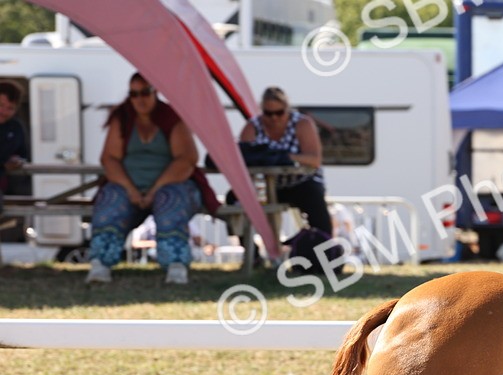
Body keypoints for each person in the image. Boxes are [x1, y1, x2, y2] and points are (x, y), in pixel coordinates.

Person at [86, 73, 215, 285]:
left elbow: (186, 160)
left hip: (171, 184)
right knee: (110, 202)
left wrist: (155, 190)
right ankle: (100, 264)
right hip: (129, 187)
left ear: (156, 93)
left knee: (170, 203)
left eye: (145, 92)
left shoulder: (172, 118)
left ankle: (176, 266)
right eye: (134, 94)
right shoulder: (122, 118)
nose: (140, 99)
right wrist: (131, 190)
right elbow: (109, 159)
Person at [237, 86, 331, 236]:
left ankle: (324, 251)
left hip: (301, 182)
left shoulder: (302, 124)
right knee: (235, 200)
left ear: (287, 109)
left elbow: (315, 160)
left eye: (279, 113)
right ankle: (253, 254)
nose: (274, 118)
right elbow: (242, 159)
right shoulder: (252, 127)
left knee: (316, 207)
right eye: (268, 113)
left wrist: (283, 157)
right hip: (266, 186)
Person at [0, 80, 30, 215]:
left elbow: (23, 153)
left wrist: (17, 160)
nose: (3, 111)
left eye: (10, 108)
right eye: (0, 105)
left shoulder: (16, 127)